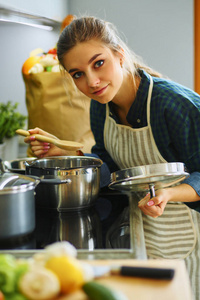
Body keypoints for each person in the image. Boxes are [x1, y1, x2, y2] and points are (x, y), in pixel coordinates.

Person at [24, 16, 200, 218]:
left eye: (98, 63)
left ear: (119, 55)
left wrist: (169, 193)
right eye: (78, 74)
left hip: (187, 235)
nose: (92, 82)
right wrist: (69, 155)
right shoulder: (101, 107)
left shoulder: (174, 104)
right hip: (139, 225)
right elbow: (112, 169)